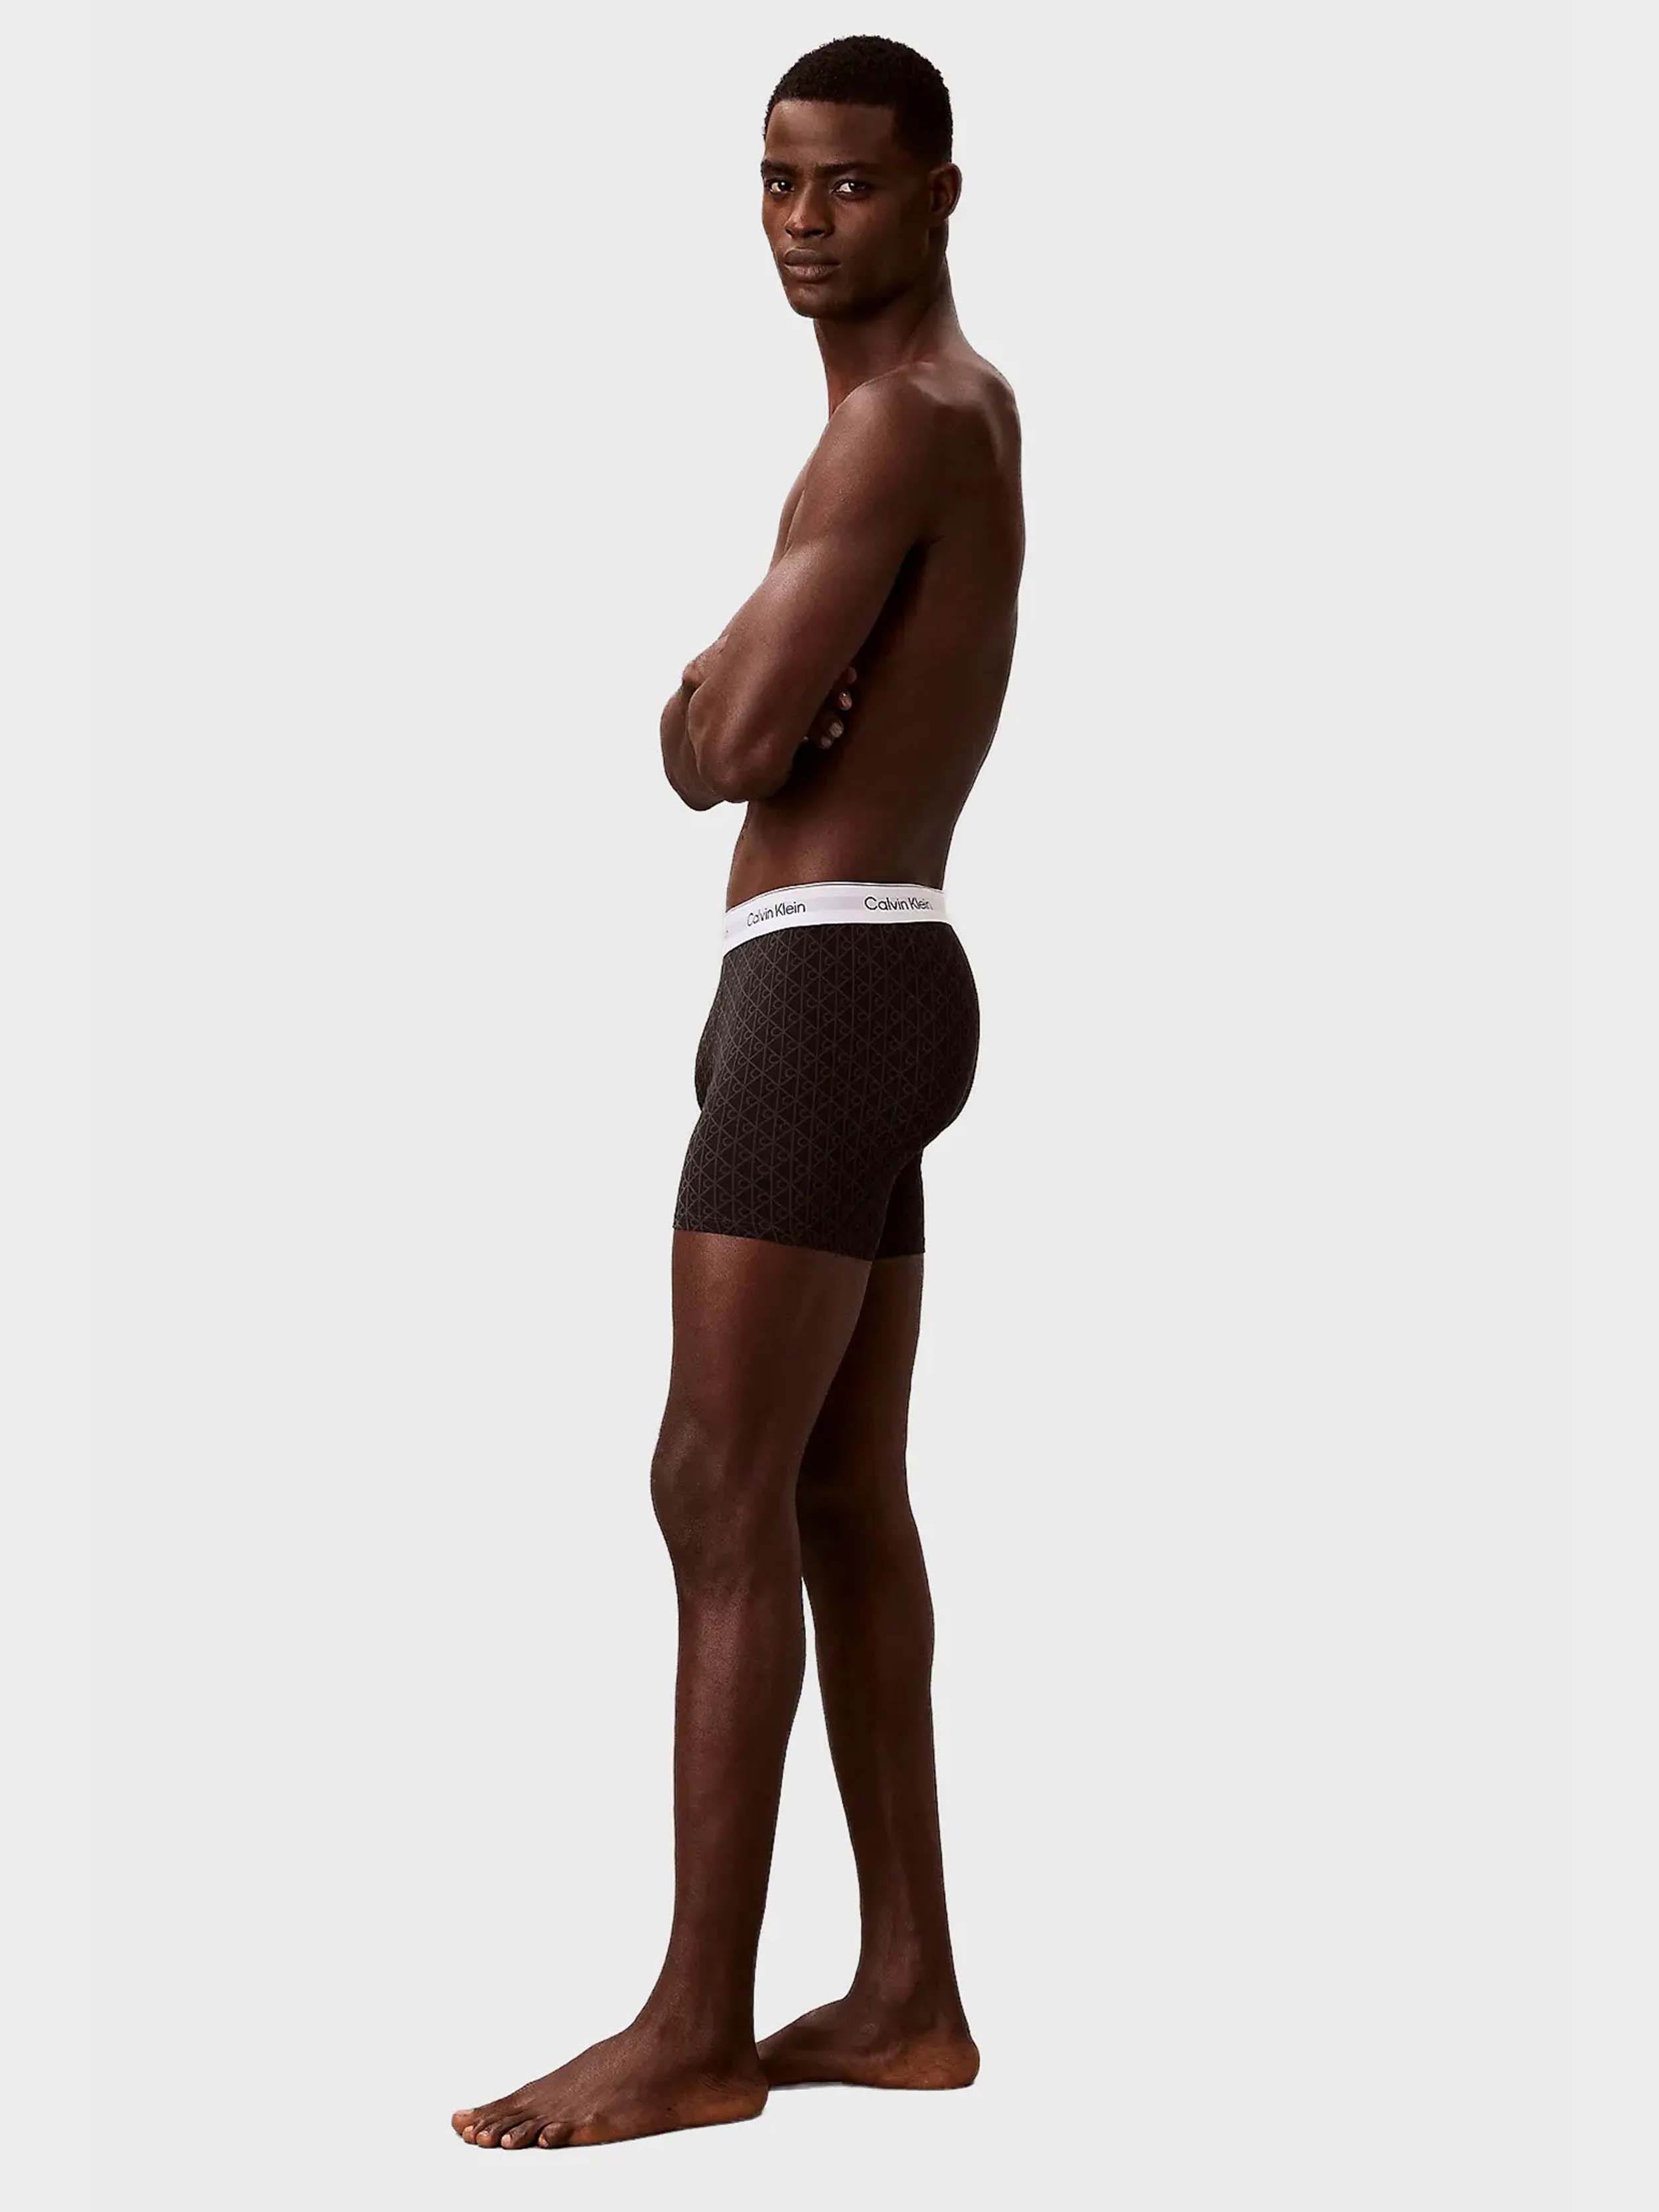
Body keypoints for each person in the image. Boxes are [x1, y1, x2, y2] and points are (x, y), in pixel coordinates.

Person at [453, 35, 1023, 2152]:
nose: (804, 220)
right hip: (871, 974)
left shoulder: (897, 425)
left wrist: (710, 696)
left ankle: (693, 2028)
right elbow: (760, 725)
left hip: (826, 988)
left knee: (714, 1485)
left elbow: (722, 745)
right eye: (778, 180)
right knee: (835, 1496)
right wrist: (746, 698)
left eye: (851, 183)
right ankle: (904, 1996)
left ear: (940, 193)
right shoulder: (941, 418)